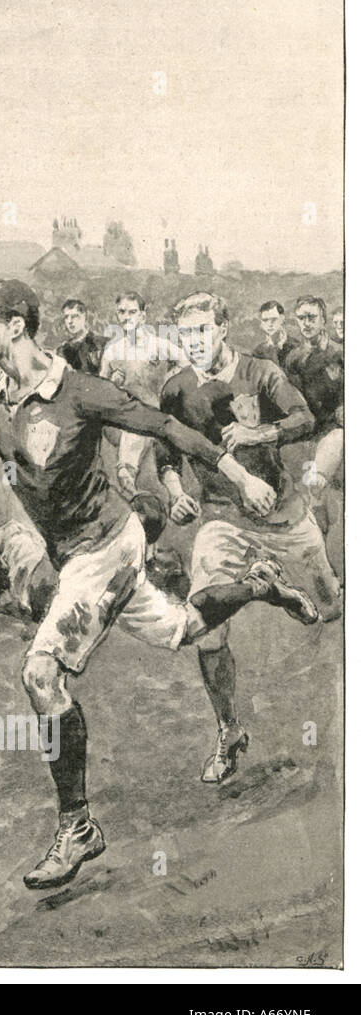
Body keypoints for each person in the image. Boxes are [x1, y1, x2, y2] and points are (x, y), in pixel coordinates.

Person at [0, 279, 319, 891]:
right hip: (80, 555)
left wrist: (233, 467)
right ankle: (259, 585)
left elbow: (162, 426)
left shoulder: (79, 390)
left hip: (106, 547)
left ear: (16, 326)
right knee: (181, 629)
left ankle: (77, 827)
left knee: (40, 674)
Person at [159, 291, 337, 784]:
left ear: (221, 328)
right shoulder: (175, 389)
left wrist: (258, 435)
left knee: (333, 607)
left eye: (200, 331)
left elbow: (306, 419)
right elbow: (167, 457)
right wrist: (175, 492)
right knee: (206, 627)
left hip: (282, 515)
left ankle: (287, 589)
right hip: (221, 520)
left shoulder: (260, 372)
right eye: (184, 334)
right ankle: (229, 731)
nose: (192, 342)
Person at [99, 292, 185, 497]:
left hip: (155, 410)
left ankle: (131, 475)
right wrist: (112, 383)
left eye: (132, 312)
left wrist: (170, 377)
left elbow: (187, 363)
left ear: (142, 317)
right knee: (135, 424)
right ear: (117, 315)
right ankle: (126, 473)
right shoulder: (112, 351)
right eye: (122, 312)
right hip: (123, 419)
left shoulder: (158, 345)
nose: (126, 317)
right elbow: (99, 390)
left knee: (152, 426)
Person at [284, 296, 344, 529]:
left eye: (311, 318)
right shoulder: (293, 359)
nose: (306, 323)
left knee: (317, 483)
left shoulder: (341, 354)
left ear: (323, 320)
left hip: (334, 427)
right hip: (306, 429)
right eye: (301, 318)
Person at [55, 299, 106, 376]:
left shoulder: (101, 343)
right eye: (66, 317)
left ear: (84, 317)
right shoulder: (63, 350)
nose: (69, 321)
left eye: (74, 316)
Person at [249, 300, 295, 367]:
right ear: (261, 323)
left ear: (282, 319)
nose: (269, 324)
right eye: (265, 320)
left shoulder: (295, 346)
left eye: (274, 319)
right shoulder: (258, 351)